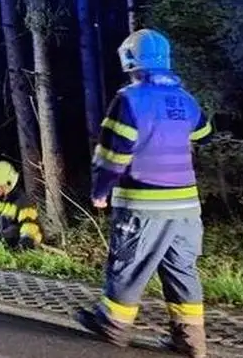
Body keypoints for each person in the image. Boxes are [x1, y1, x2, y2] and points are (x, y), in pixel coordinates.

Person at [75, 29, 213, 358]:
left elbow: (113, 156)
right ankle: (191, 340)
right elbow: (205, 133)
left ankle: (113, 323)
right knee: (182, 271)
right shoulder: (185, 98)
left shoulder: (129, 100)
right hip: (186, 208)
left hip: (143, 204)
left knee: (128, 264)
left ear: (129, 61)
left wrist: (100, 191)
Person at [0, 160, 42, 250]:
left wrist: (24, 245)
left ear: (7, 185)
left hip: (19, 242)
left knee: (11, 231)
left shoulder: (22, 202)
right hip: (2, 239)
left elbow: (29, 226)